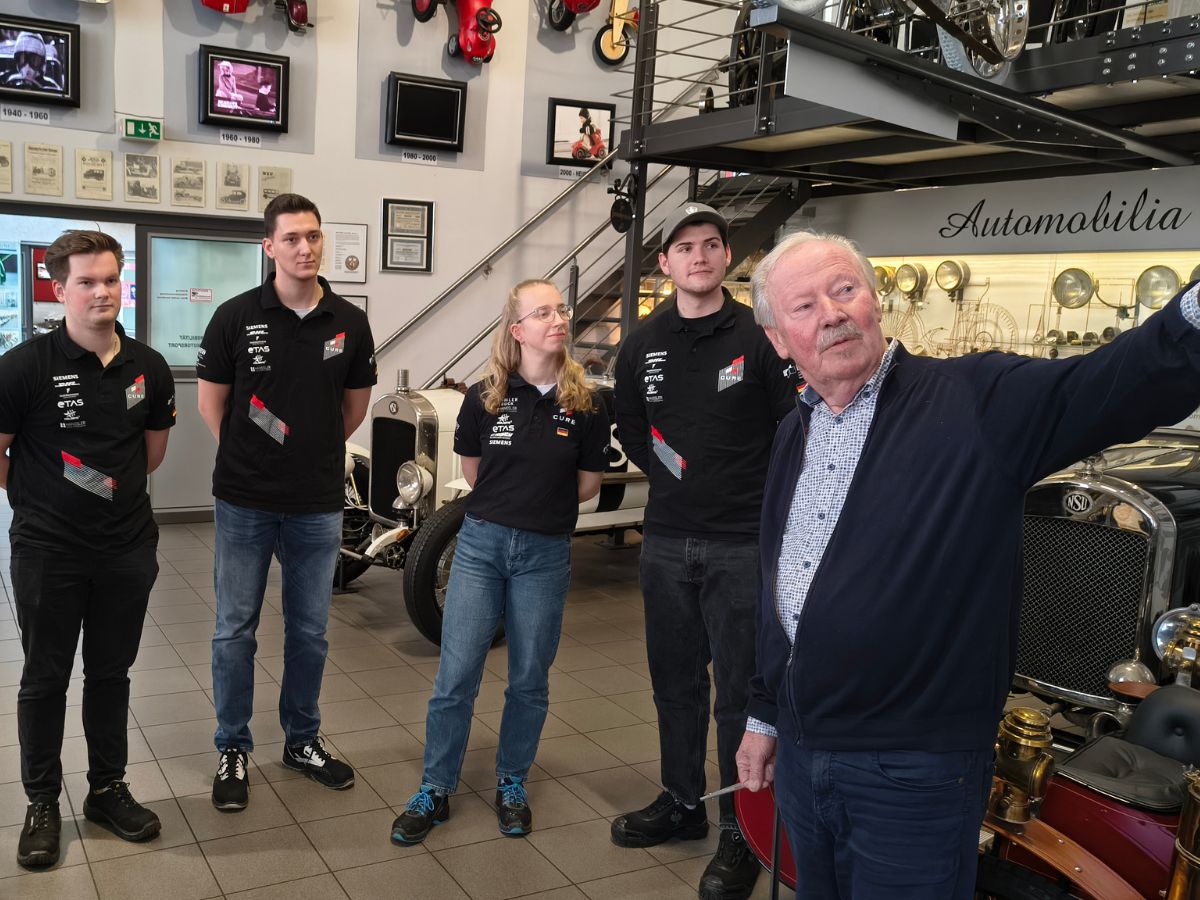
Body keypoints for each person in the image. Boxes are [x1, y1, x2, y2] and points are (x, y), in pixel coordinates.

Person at [735, 231, 1200, 900]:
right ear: (780, 339)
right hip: (806, 751)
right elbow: (783, 585)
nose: (832, 314)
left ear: (875, 302)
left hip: (913, 769)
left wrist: (1190, 317)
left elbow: (1114, 382)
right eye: (804, 306)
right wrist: (764, 714)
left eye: (844, 290)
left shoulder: (977, 401)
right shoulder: (795, 430)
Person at [611, 203, 799, 900]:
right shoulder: (642, 343)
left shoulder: (760, 335)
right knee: (675, 683)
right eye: (685, 247)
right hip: (665, 540)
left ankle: (739, 828)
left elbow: (793, 428)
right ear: (665, 263)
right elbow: (632, 427)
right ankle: (682, 801)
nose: (699, 256)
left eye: (712, 244)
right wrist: (673, 475)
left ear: (727, 256)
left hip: (742, 545)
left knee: (740, 698)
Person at [390, 279, 610, 844]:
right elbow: (474, 473)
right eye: (542, 312)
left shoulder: (586, 404)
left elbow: (588, 486)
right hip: (481, 547)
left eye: (561, 309)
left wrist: (536, 503)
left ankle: (511, 781)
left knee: (529, 678)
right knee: (455, 675)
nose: (558, 319)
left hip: (545, 554)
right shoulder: (484, 397)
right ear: (517, 330)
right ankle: (435, 787)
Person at [0, 230, 175, 868]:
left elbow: (150, 455)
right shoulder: (23, 367)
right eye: (87, 281)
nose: (103, 292)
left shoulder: (149, 367)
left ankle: (106, 790)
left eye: (111, 279)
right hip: (49, 551)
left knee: (110, 674)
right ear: (59, 288)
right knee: (45, 677)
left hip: (126, 548)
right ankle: (42, 802)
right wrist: (44, 502)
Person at [197, 193, 376, 811]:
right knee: (234, 630)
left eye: (314, 236)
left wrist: (308, 455)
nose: (305, 248)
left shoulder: (349, 322)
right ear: (269, 246)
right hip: (243, 501)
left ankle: (302, 741)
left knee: (310, 630)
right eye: (292, 238)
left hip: (316, 504)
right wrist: (253, 459)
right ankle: (232, 747)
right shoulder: (234, 316)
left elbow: (351, 410)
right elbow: (212, 405)